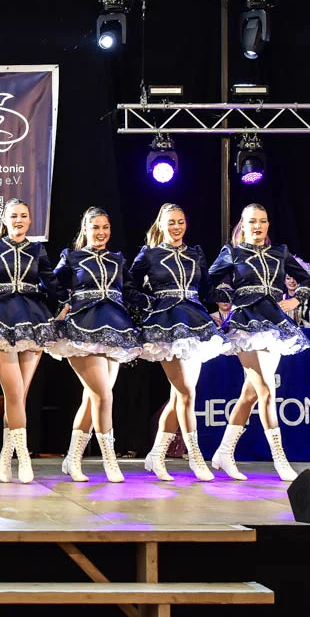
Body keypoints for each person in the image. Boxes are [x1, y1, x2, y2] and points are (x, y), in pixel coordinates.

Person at [208, 203, 310, 482]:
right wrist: (230, 298)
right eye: (252, 221)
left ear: (268, 224)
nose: (258, 226)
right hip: (245, 325)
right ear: (243, 225)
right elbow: (209, 282)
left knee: (251, 395)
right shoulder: (232, 252)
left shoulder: (280, 253)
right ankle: (280, 459)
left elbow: (306, 279)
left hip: (274, 325)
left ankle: (224, 452)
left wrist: (295, 300)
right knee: (266, 390)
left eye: (263, 221)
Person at [130, 204, 230, 482]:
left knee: (180, 396)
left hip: (196, 323)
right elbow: (129, 286)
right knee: (185, 393)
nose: (176, 227)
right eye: (171, 222)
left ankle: (156, 455)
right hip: (166, 325)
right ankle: (195, 456)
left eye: (181, 221)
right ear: (161, 225)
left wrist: (230, 295)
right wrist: (150, 304)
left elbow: (206, 288)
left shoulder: (195, 253)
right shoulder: (149, 254)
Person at [51, 206, 143, 483]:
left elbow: (130, 291)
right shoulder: (72, 257)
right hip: (82, 330)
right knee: (103, 397)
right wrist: (64, 306)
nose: (101, 232)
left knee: (93, 399)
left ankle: (72, 459)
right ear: (85, 230)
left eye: (105, 227)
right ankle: (109, 460)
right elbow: (52, 285)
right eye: (95, 227)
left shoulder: (117, 259)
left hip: (114, 330)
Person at [0, 199, 62, 483]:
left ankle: (5, 455)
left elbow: (50, 282)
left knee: (20, 396)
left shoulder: (37, 249)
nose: (19, 220)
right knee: (13, 393)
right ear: (5, 219)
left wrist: (65, 302)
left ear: (30, 220)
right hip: (0, 317)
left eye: (24, 215)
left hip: (32, 319)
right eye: (14, 216)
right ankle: (22, 457)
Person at [282, 257, 310, 327]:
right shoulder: (280, 298)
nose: (292, 281)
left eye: (295, 278)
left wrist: (299, 323)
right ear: (284, 280)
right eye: (288, 278)